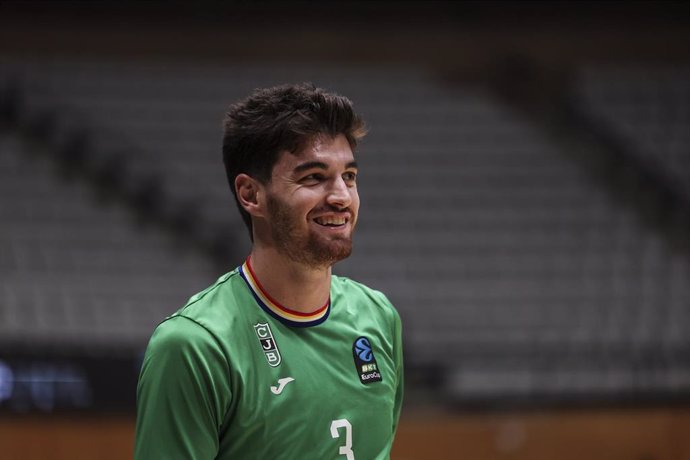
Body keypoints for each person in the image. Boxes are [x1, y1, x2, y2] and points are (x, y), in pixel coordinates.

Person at [134, 83, 404, 459]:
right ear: (251, 194)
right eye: (314, 177)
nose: (341, 196)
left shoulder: (378, 317)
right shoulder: (195, 347)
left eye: (350, 176)